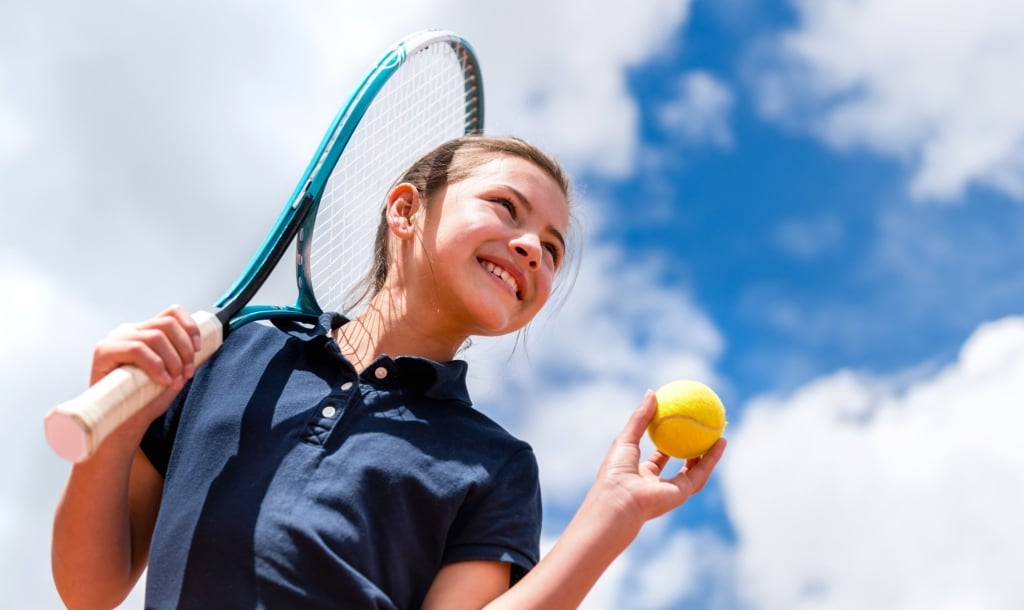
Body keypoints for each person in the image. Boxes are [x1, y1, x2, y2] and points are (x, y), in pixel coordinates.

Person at [51, 135, 726, 610]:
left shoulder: (495, 465)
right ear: (405, 210)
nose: (531, 248)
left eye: (552, 249)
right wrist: (115, 434)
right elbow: (90, 590)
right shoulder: (235, 355)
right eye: (506, 209)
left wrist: (613, 516)